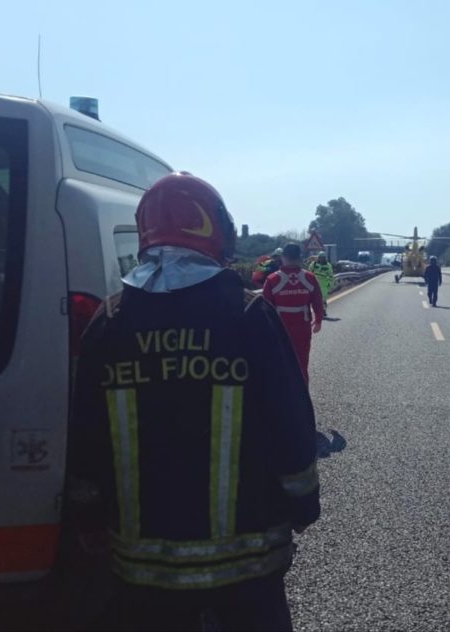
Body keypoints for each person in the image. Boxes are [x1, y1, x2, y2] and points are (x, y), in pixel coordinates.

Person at [68, 172, 320, 631]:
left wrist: (86, 517)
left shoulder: (109, 322)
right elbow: (290, 421)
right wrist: (304, 503)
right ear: (217, 231)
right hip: (248, 570)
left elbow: (85, 431)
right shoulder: (247, 315)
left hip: (143, 575)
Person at [261, 243, 324, 385]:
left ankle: (282, 394)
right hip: (303, 328)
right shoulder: (309, 277)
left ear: (283, 257)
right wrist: (318, 320)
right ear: (299, 258)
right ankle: (302, 395)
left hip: (279, 329)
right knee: (302, 363)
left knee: (280, 364)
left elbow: (264, 307)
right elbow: (317, 300)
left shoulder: (272, 279)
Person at [309, 251, 335, 317]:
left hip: (324, 285)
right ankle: (316, 311)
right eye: (320, 257)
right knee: (314, 299)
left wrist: (330, 284)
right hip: (315, 284)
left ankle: (323, 310)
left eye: (323, 257)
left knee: (323, 299)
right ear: (318, 257)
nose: (322, 259)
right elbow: (309, 273)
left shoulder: (328, 265)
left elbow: (331, 276)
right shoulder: (313, 264)